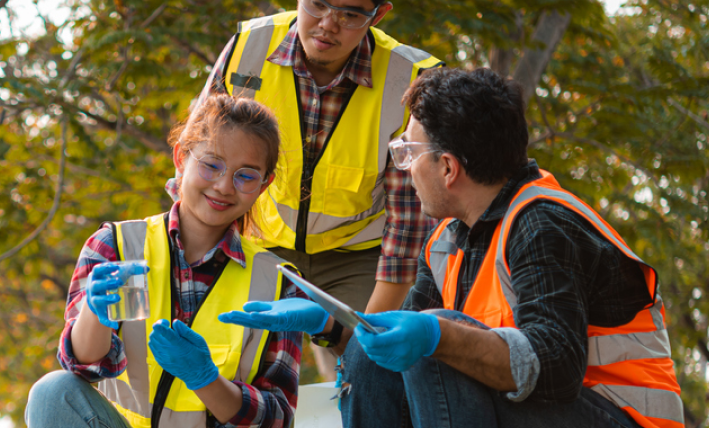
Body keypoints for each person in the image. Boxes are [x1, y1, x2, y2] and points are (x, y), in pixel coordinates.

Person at [223, 68, 685, 428]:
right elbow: (393, 346)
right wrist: (333, 325)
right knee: (379, 348)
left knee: (435, 332)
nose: (403, 168)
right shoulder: (446, 241)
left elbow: (555, 369)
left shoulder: (541, 223)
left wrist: (436, 337)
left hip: (616, 417)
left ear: (447, 168)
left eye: (408, 153)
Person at [193, 0, 445, 379]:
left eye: (350, 14)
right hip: (260, 245)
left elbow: (410, 224)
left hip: (358, 256)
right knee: (224, 363)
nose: (328, 24)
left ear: (377, 15)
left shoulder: (410, 77)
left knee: (376, 370)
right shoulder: (248, 46)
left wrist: (364, 347)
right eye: (318, 4)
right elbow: (200, 163)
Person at [25, 94, 311, 428]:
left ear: (264, 186)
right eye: (211, 164)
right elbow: (84, 368)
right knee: (53, 391)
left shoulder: (279, 285)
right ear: (181, 157)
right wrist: (94, 314)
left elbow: (276, 419)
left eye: (245, 176)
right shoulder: (117, 247)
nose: (223, 186)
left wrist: (204, 378)